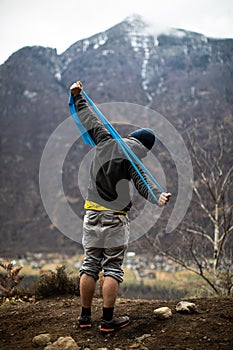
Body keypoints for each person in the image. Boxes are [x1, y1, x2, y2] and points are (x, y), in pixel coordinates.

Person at [70, 81, 171, 333]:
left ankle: (84, 317)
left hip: (91, 214)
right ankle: (107, 321)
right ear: (145, 148)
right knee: (112, 267)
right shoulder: (134, 160)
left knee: (90, 264)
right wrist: (157, 197)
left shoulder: (105, 139)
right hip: (115, 219)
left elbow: (89, 118)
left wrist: (78, 96)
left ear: (132, 137)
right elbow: (142, 182)